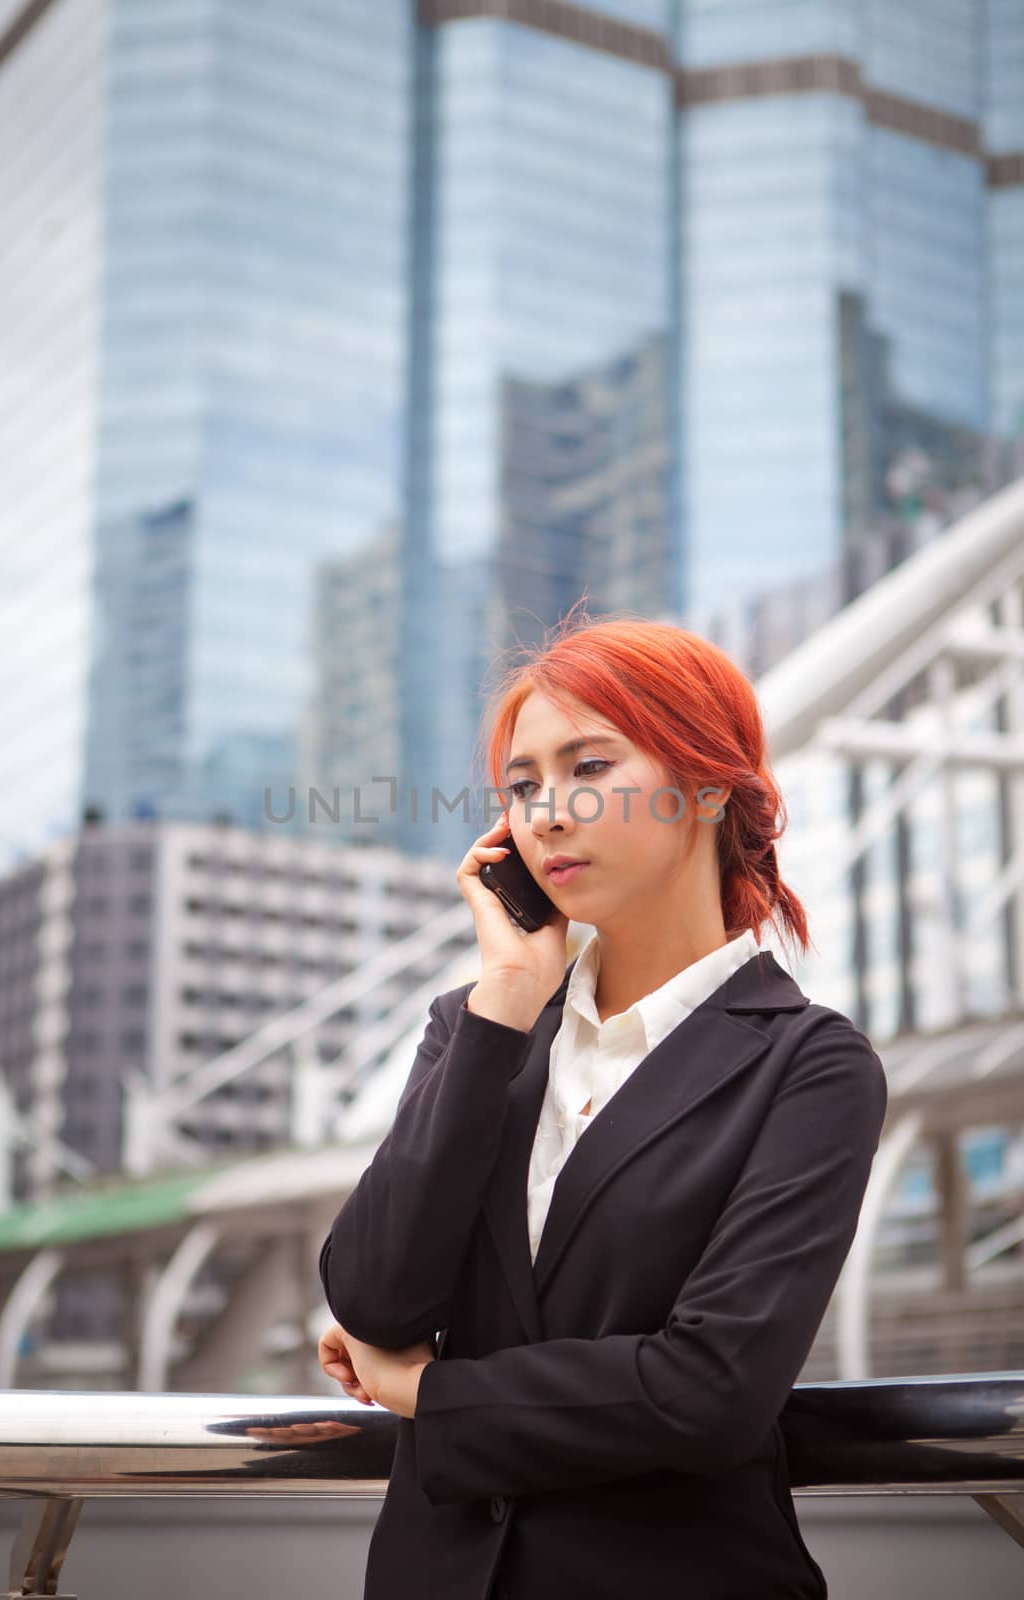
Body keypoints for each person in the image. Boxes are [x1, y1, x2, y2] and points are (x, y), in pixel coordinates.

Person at [317, 610, 888, 1600]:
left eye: (588, 768)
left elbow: (706, 1390)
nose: (545, 812)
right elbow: (370, 1297)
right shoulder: (479, 1028)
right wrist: (502, 1000)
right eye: (521, 786)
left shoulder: (808, 1066)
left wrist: (423, 1389)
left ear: (708, 783)